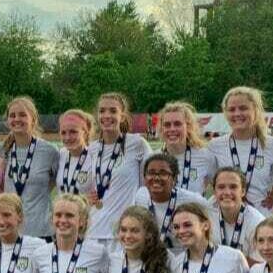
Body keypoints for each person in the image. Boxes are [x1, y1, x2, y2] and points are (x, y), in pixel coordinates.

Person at [86, 92, 151, 249]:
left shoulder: (137, 144)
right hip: (94, 231)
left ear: (122, 116)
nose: (107, 115)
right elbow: (88, 187)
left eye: (113, 111)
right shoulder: (92, 148)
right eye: (102, 111)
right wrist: (88, 197)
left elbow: (148, 184)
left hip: (124, 233)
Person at [208, 87, 273, 210]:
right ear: (225, 114)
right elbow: (211, 182)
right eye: (231, 109)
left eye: (243, 108)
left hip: (260, 220)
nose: (237, 113)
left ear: (256, 110)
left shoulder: (272, 144)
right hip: (225, 217)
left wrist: (272, 206)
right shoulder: (215, 145)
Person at [0, 97, 58, 238]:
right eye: (12, 115)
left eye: (22, 115)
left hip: (42, 231)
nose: (17, 119)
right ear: (7, 121)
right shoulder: (2, 151)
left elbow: (55, 182)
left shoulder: (50, 151)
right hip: (11, 231)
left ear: (33, 119)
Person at [133, 153, 208, 255]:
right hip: (151, 260)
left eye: (163, 173)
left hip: (182, 262)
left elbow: (213, 210)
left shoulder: (191, 199)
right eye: (151, 173)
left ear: (175, 179)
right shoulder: (140, 195)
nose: (156, 178)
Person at [209, 167, 265, 263]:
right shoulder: (206, 217)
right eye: (221, 187)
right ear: (214, 192)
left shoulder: (257, 222)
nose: (227, 192)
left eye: (233, 187)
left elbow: (259, 265)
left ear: (243, 191)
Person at [158, 101, 214, 195]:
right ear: (161, 128)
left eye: (177, 124)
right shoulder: (153, 158)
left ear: (188, 127)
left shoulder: (205, 156)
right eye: (167, 125)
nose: (172, 129)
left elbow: (219, 189)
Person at [54, 109, 96, 198]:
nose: (67, 137)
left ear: (85, 132)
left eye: (73, 132)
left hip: (87, 211)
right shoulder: (59, 155)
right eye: (63, 133)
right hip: (63, 211)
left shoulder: (95, 157)